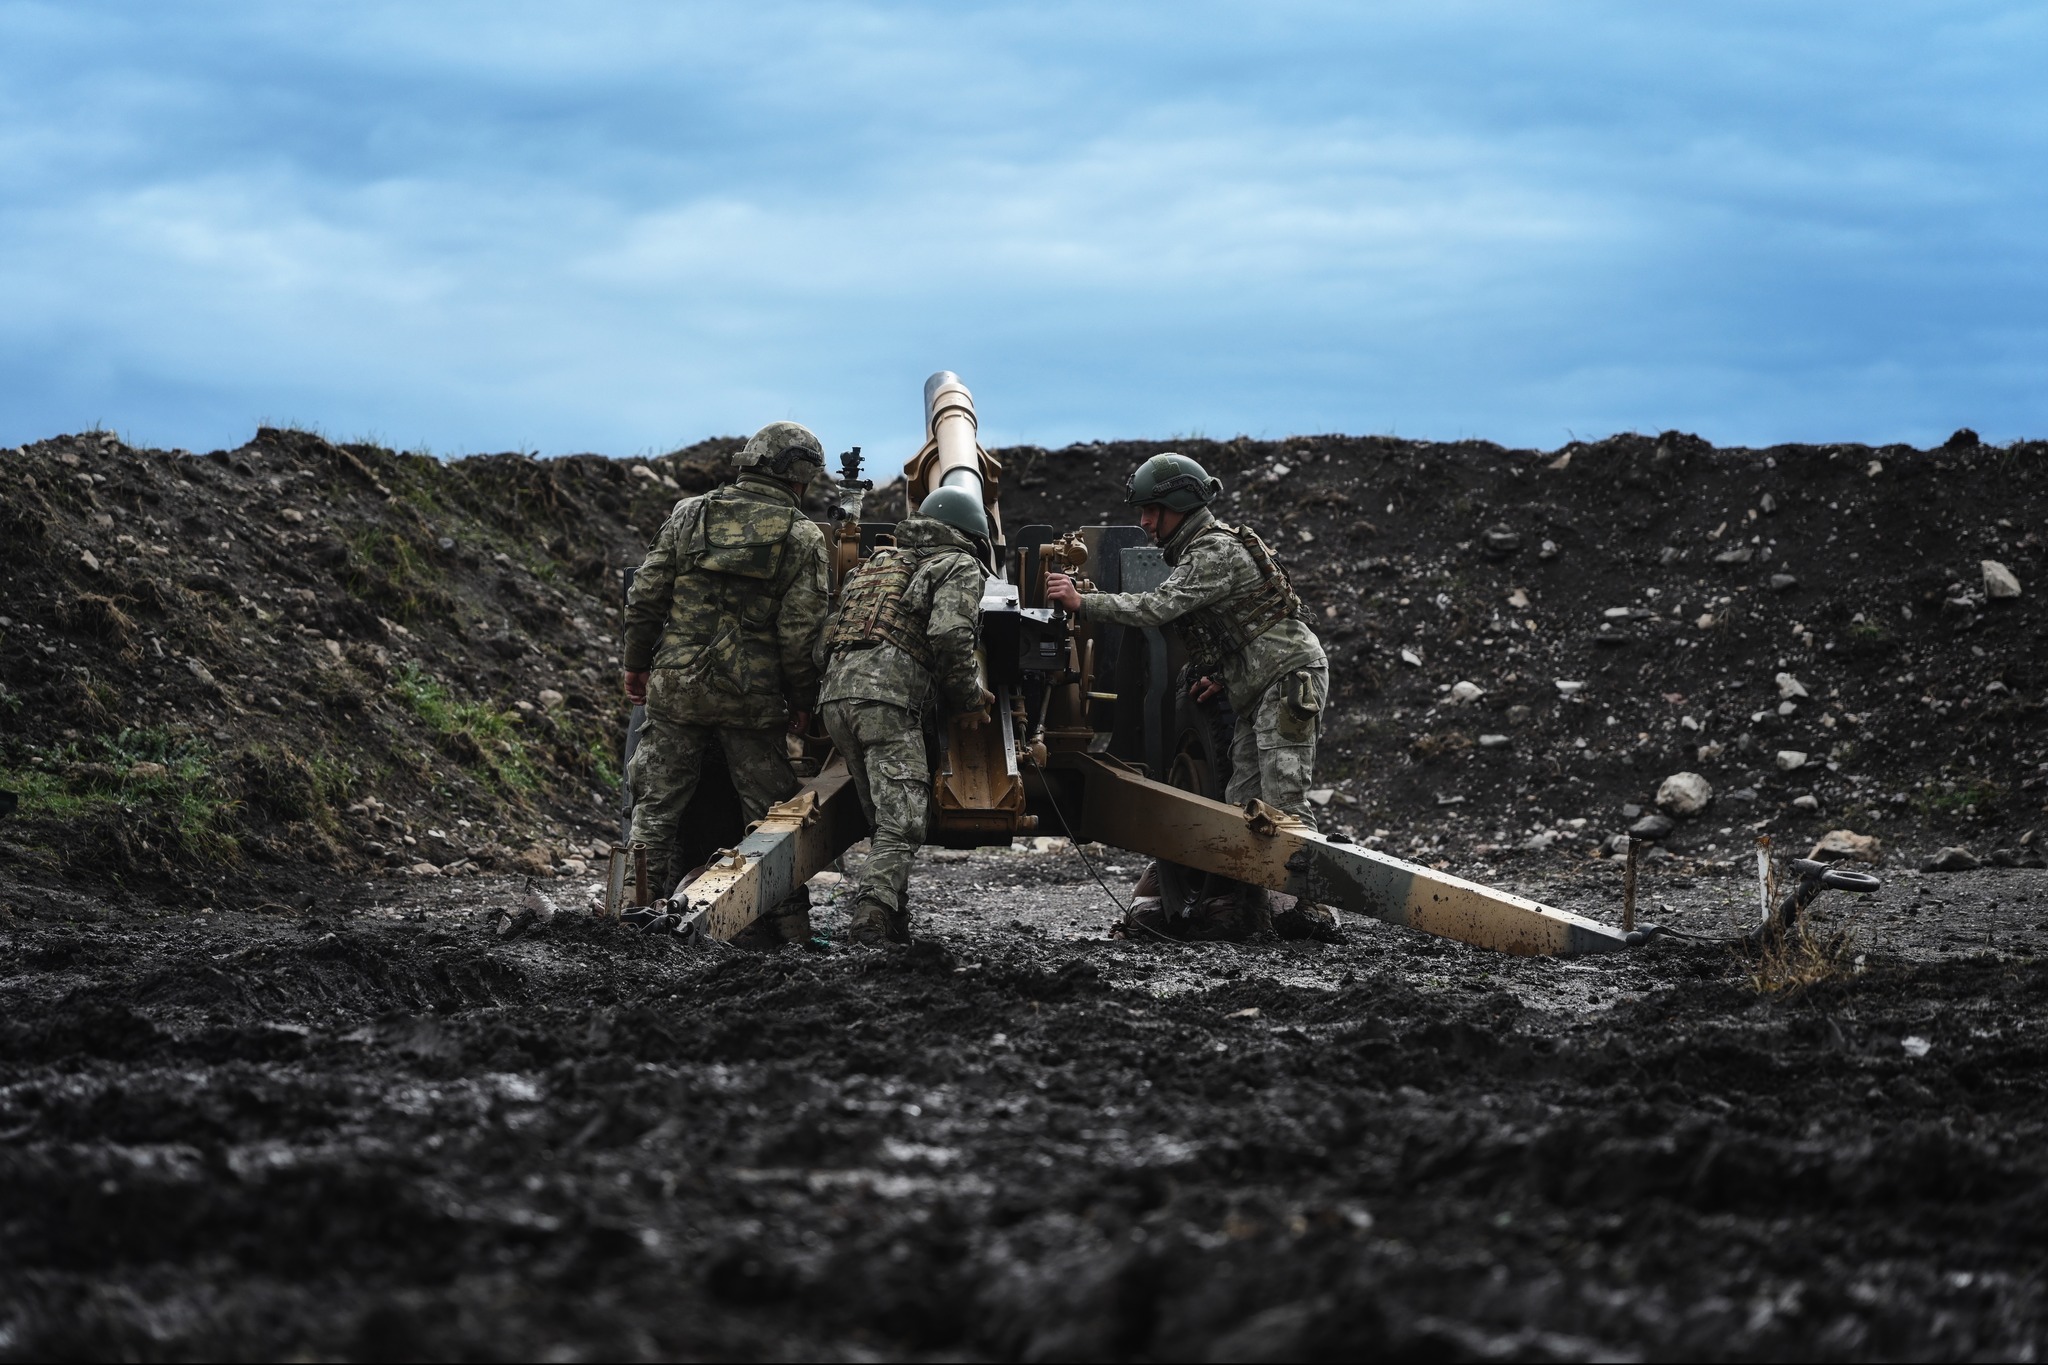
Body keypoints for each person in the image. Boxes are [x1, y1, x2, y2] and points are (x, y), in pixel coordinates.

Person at [1045, 451, 1335, 939]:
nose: (1144, 522)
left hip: (1287, 679)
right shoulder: (1202, 551)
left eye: (1152, 510)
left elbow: (1159, 606)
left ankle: (1310, 910)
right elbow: (1241, 624)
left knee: (1283, 798)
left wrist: (1082, 601)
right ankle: (1251, 912)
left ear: (1180, 505)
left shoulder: (1212, 551)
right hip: (1257, 684)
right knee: (1241, 802)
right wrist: (1222, 671)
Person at [620, 421, 832, 943]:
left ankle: (628, 918)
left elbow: (646, 595)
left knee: (655, 807)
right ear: (802, 480)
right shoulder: (802, 536)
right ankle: (792, 934)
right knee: (772, 818)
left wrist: (636, 661)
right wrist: (803, 701)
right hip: (750, 698)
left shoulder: (690, 514)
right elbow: (800, 632)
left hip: (675, 688)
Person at [817, 486, 994, 945]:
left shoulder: (876, 565)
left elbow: (827, 636)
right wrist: (970, 698)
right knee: (905, 819)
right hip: (887, 703)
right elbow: (951, 635)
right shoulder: (957, 564)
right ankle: (871, 915)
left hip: (836, 698)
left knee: (882, 814)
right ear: (972, 534)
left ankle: (895, 915)